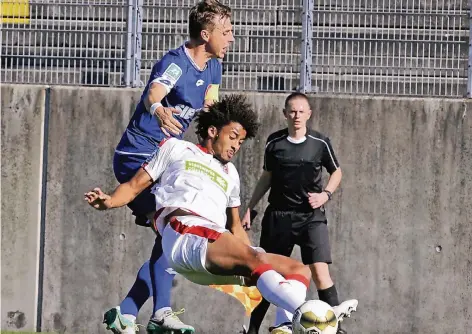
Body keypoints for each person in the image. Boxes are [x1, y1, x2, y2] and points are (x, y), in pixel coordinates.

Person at [85, 95, 358, 332]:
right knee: (255, 260)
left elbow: (236, 227)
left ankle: (286, 327)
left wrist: (254, 256)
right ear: (213, 131)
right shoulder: (177, 148)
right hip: (185, 233)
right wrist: (109, 202)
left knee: (296, 269)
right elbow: (134, 186)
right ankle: (318, 320)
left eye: (240, 142)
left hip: (213, 246)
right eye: (232, 137)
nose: (236, 146)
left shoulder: (231, 174)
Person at [106, 0, 235, 333]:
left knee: (168, 238)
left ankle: (127, 312)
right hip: (138, 155)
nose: (232, 38)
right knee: (172, 231)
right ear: (205, 35)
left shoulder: (214, 68)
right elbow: (154, 92)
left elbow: (211, 112)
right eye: (226, 32)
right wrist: (160, 110)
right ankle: (159, 312)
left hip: (168, 159)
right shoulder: (177, 62)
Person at [241, 92, 348, 334]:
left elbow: (337, 172)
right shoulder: (274, 143)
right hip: (279, 217)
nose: (297, 115)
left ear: (309, 114)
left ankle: (337, 328)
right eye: (292, 111)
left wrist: (326, 195)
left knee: (321, 272)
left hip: (311, 218)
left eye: (302, 111)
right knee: (269, 276)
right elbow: (266, 177)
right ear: (285, 114)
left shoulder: (319, 143)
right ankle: (253, 329)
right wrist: (250, 206)